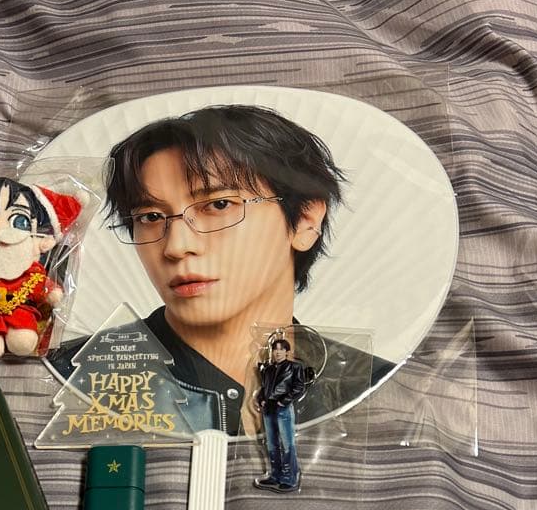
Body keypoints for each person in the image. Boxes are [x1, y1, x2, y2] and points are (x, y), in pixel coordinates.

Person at [48, 105, 392, 433]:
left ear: (305, 220)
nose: (176, 246)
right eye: (150, 217)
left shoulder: (375, 388)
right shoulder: (71, 375)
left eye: (219, 204)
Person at [0, 177, 81, 359]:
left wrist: (52, 293)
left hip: (21, 314)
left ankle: (19, 337)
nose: (1, 236)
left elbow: (44, 289)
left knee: (23, 341)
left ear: (44, 241)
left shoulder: (31, 277)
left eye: (20, 221)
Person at [253, 338, 313, 493]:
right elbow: (264, 387)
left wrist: (283, 401)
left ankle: (289, 478)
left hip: (283, 408)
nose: (278, 352)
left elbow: (299, 387)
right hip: (268, 408)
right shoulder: (268, 369)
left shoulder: (295, 367)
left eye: (281, 349)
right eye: (275, 349)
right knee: (272, 444)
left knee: (287, 444)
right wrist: (261, 400)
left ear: (287, 352)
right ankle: (275, 475)